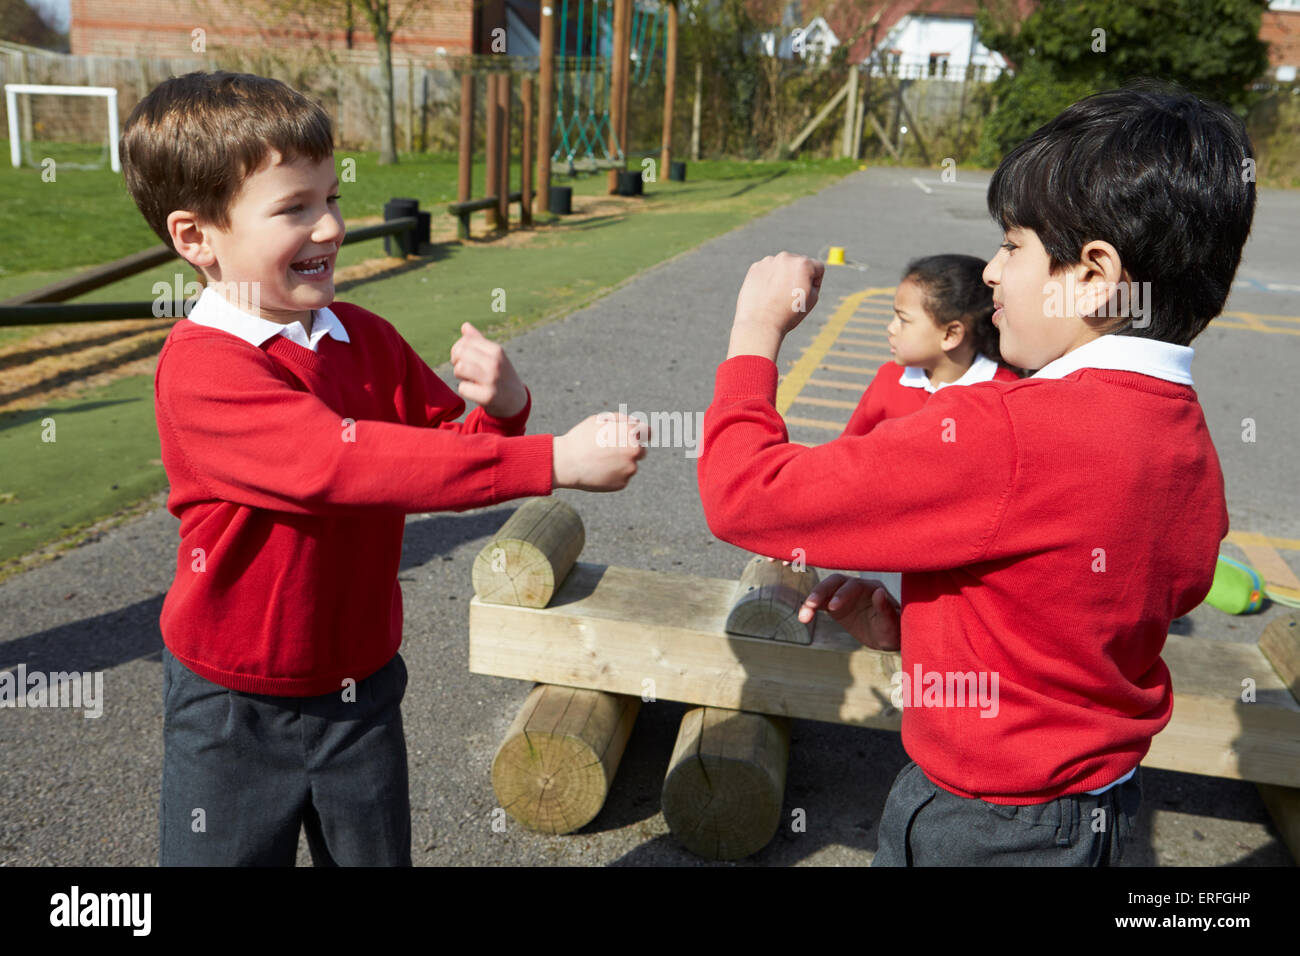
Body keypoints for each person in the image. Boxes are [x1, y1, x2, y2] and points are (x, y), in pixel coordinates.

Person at [697, 81, 1252, 865]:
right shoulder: (1181, 432)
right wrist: (932, 632)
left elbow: (744, 496)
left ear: (1093, 273)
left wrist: (754, 331)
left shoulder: (1008, 429)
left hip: (983, 826)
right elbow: (1115, 603)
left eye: (1013, 245)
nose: (990, 273)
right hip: (1100, 811)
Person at [120, 71, 646, 865]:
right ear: (197, 238)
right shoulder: (202, 369)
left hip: (357, 689)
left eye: (331, 198)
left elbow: (438, 450)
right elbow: (337, 466)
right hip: (234, 703)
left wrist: (503, 408)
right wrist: (553, 460)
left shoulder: (359, 335)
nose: (330, 225)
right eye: (294, 208)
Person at [843, 253, 1020, 439]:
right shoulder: (889, 378)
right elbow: (848, 448)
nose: (891, 328)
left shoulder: (1004, 394)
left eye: (903, 319)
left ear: (950, 335)